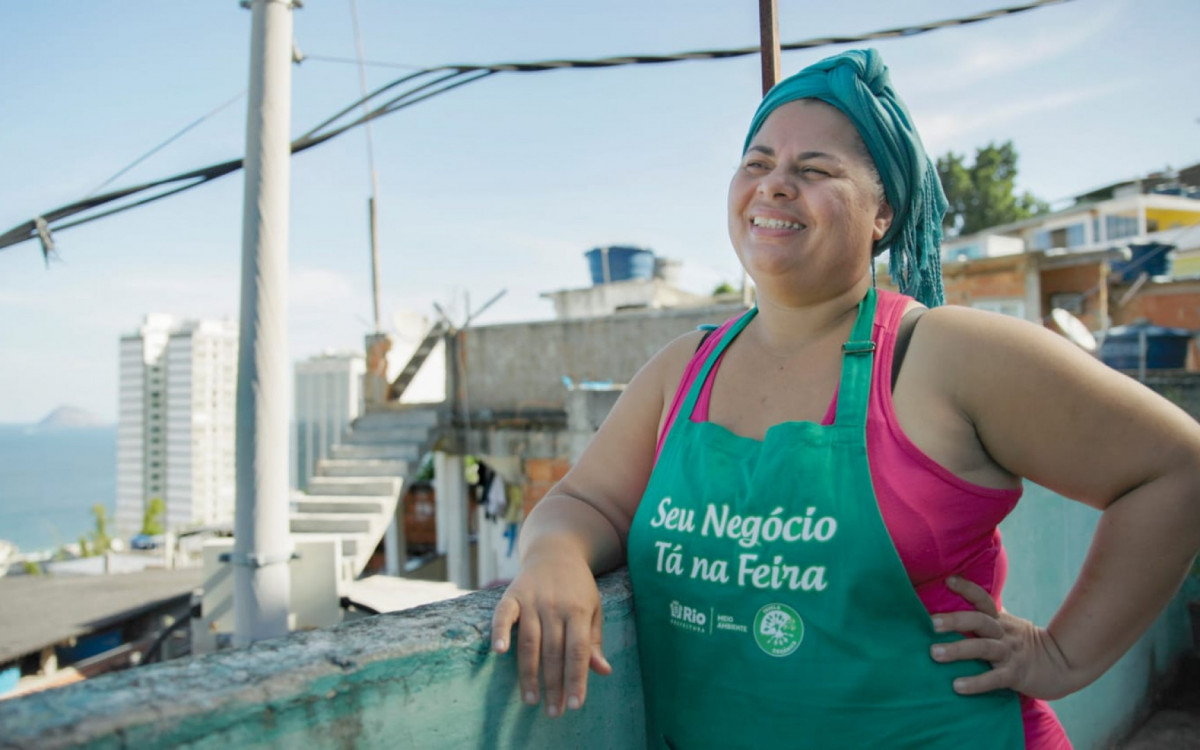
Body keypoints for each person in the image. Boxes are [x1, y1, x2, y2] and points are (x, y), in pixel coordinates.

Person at [490, 48, 1200, 748]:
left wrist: (1062, 656)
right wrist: (553, 556)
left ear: (883, 212)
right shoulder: (683, 369)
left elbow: (1177, 467)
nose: (774, 186)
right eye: (758, 162)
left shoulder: (943, 354)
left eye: (815, 170)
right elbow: (586, 504)